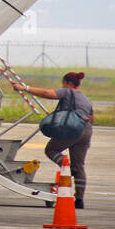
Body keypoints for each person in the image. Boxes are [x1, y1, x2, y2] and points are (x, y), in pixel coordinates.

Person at [17, 72, 92, 209]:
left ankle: (67, 168)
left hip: (72, 130)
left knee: (51, 149)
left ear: (68, 83)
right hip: (86, 131)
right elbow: (92, 118)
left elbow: (46, 93)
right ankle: (79, 200)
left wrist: (25, 88)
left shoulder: (67, 92)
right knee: (80, 166)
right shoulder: (85, 98)